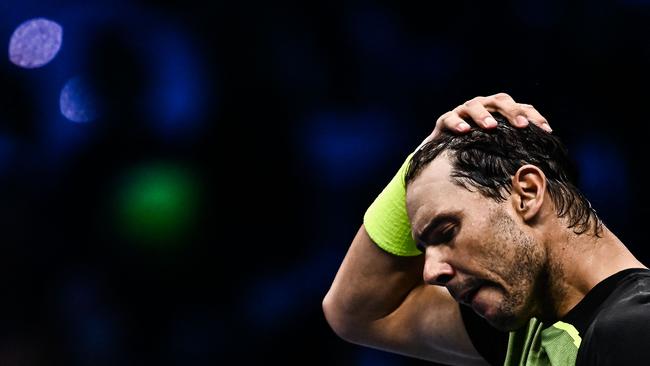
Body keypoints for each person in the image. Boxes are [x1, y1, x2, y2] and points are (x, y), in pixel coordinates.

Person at [322, 93, 650, 366]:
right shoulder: (524, 322)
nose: (431, 272)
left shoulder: (635, 333)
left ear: (528, 193)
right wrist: (426, 154)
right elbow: (356, 313)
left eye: (447, 232)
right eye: (424, 248)